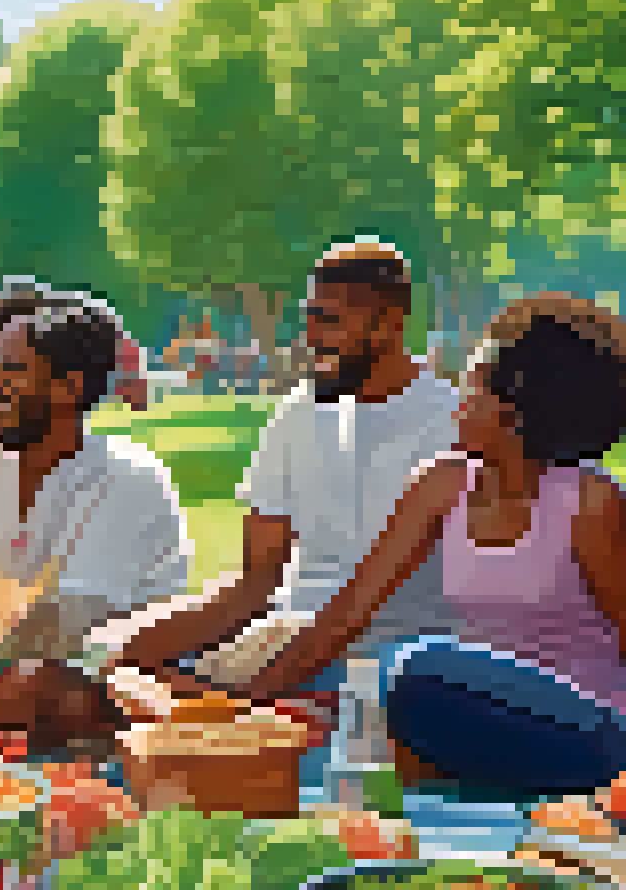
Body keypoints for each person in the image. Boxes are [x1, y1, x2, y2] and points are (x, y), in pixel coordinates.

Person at [205, 295, 626, 799]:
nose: (456, 403)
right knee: (337, 698)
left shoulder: (593, 504)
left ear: (514, 410)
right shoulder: (443, 483)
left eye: (471, 390)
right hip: (473, 716)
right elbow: (345, 613)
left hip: (591, 734)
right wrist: (240, 708)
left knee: (415, 668)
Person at [108, 239, 461, 691]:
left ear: (390, 324)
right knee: (99, 664)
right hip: (288, 635)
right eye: (310, 319)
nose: (311, 338)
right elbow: (255, 584)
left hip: (396, 653)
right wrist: (126, 655)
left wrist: (251, 696)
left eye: (329, 322)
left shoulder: (451, 422)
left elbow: (365, 611)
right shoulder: (299, 412)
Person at [0, 282, 190, 665]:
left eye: (11, 371)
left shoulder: (129, 482)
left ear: (70, 387)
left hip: (94, 679)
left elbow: (61, 625)